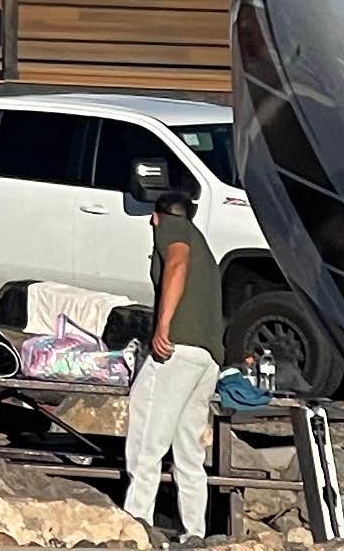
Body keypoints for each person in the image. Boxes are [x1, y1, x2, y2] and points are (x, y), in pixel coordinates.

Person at [125, 167, 226, 538]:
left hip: (177, 350)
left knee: (147, 434)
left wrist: (163, 325)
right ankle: (194, 532)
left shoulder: (173, 230)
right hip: (207, 357)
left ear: (157, 215)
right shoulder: (205, 246)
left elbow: (177, 264)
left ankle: (135, 523)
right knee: (188, 449)